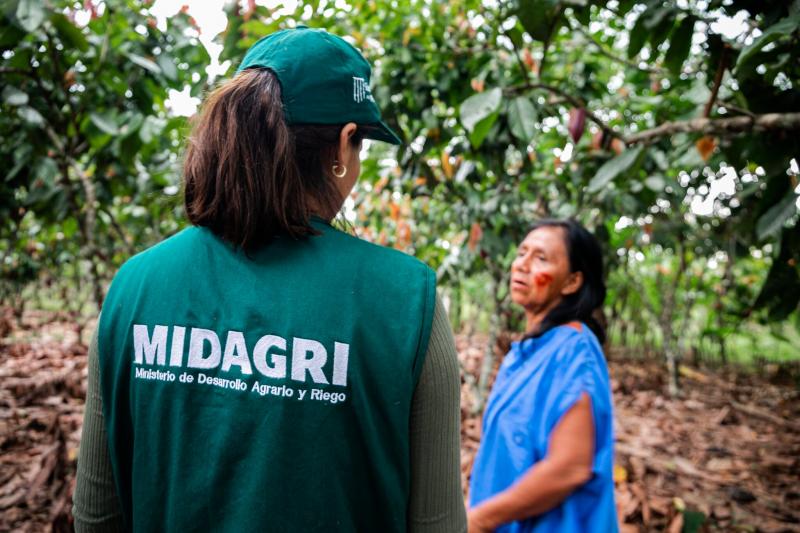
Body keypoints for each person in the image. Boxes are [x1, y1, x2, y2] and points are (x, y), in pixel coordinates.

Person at [72, 26, 466, 532]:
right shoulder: (407, 300)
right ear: (344, 145)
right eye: (361, 147)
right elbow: (437, 523)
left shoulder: (136, 286)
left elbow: (96, 515)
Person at [467, 219, 617, 533]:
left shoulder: (575, 352)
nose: (522, 265)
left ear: (572, 282)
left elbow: (569, 468)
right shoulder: (528, 350)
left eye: (541, 258)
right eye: (522, 253)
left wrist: (479, 520)